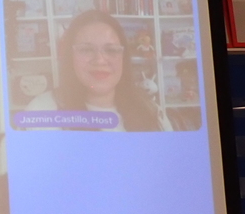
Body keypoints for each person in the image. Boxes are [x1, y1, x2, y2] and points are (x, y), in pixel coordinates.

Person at [25, 8, 170, 131]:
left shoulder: (151, 110)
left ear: (123, 58)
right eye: (86, 49)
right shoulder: (41, 111)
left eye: (111, 50)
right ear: (70, 57)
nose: (100, 60)